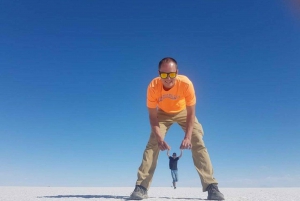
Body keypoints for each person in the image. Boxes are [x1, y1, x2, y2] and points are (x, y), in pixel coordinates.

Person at [129, 57, 225, 200]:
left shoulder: (185, 84)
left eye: (172, 74)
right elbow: (152, 117)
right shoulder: (153, 87)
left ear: (177, 72)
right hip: (162, 114)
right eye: (164, 74)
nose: (168, 78)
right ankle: (141, 187)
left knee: (197, 139)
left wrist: (187, 136)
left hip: (183, 112)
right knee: (153, 144)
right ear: (159, 73)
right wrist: (160, 138)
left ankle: (211, 186)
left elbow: (191, 112)